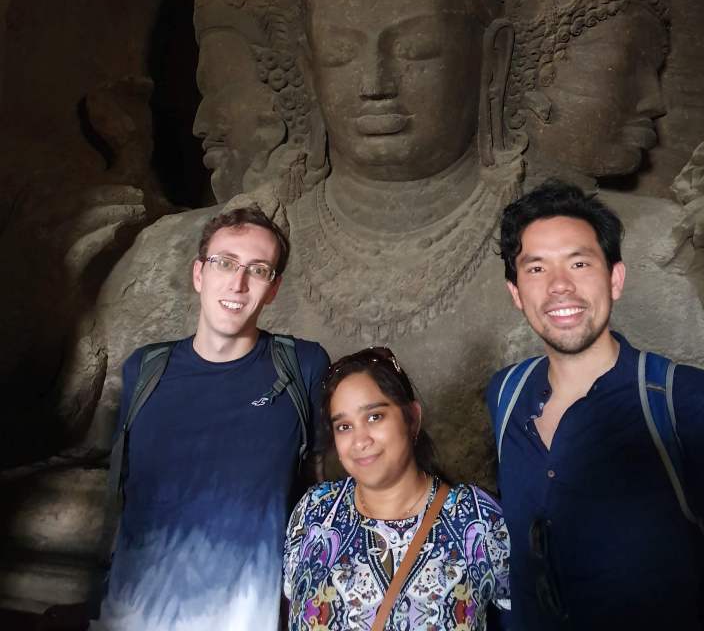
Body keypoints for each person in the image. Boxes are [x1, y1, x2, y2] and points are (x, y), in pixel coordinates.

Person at [487, 180, 704, 630]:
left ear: (615, 279)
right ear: (516, 292)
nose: (559, 286)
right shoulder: (507, 395)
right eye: (536, 268)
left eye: (579, 263)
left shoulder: (689, 405)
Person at [94, 205, 330, 631]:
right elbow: (126, 491)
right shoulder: (144, 370)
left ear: (273, 289)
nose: (238, 283)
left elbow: (321, 488)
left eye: (258, 270)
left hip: (243, 616)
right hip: (131, 614)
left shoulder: (303, 366)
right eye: (225, 263)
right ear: (199, 274)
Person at [284, 347, 511, 630]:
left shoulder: (477, 519)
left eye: (374, 417)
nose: (360, 440)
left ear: (412, 418)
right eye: (344, 426)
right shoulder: (314, 511)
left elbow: (528, 615)